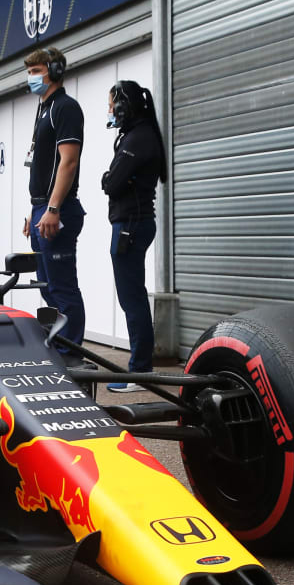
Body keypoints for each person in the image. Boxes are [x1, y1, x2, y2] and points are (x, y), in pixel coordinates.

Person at [100, 81, 166, 392]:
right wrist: (111, 178)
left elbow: (112, 184)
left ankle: (140, 372)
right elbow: (115, 180)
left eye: (112, 104)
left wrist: (109, 179)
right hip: (133, 224)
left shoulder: (138, 138)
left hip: (130, 227)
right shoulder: (138, 135)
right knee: (134, 298)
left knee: (133, 300)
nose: (109, 110)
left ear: (126, 107)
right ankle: (141, 369)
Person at [21, 45, 85, 348]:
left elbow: (68, 162)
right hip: (41, 210)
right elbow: (41, 164)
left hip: (57, 209)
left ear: (56, 71)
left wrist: (53, 207)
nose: (31, 77)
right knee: (47, 287)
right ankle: (58, 347)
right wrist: (33, 211)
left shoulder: (65, 107)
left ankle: (70, 354)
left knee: (62, 288)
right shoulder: (43, 108)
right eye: (30, 72)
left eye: (36, 71)